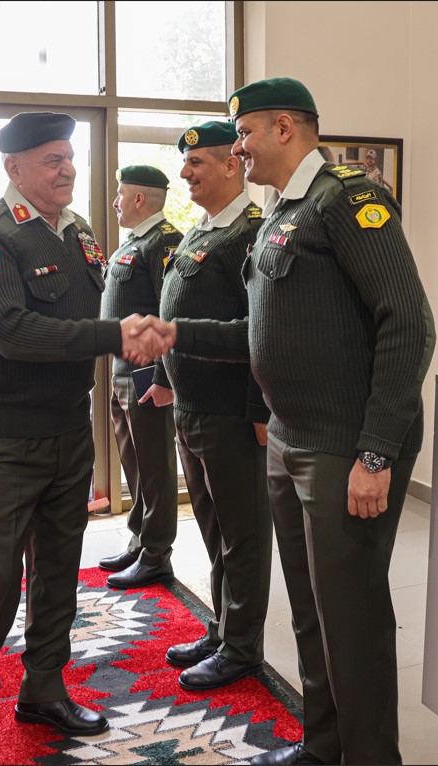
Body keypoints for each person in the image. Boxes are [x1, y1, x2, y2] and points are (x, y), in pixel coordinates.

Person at [136, 77, 436, 765]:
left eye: (243, 133)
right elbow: (260, 333)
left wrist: (377, 452)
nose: (237, 148)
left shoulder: (347, 200)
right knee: (309, 610)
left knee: (351, 619)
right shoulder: (281, 213)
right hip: (288, 437)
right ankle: (322, 744)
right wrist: (178, 333)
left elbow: (408, 324)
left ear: (284, 128)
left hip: (343, 445)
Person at [0, 111, 167, 758]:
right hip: (3, 435)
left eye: (69, 157)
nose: (68, 169)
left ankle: (43, 688)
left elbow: (87, 314)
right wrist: (115, 335)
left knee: (58, 570)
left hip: (70, 428)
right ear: (14, 168)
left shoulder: (80, 232)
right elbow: (11, 333)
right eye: (52, 160)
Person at [147, 121, 272, 691]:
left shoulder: (251, 232)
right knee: (213, 527)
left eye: (196, 163)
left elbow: (261, 331)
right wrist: (164, 379)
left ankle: (242, 647)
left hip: (230, 412)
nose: (185, 173)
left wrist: (259, 410)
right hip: (192, 406)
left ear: (231, 165)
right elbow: (174, 312)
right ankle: (222, 628)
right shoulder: (202, 229)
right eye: (185, 163)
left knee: (243, 534)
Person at [96, 164, 183, 590]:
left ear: (138, 198)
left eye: (120, 194)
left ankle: (156, 554)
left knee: (154, 465)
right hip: (121, 368)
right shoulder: (133, 241)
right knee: (133, 460)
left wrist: (164, 376)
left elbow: (170, 311)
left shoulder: (163, 241)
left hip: (148, 370)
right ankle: (138, 539)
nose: (115, 202)